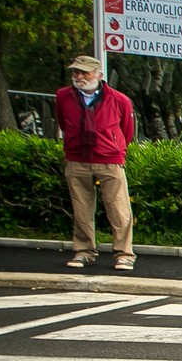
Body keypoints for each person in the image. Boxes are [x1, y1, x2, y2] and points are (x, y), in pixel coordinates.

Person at [52, 55, 137, 270]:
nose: (79, 76)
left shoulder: (119, 99)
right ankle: (84, 251)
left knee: (118, 208)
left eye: (85, 72)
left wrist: (115, 148)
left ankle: (124, 254)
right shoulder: (63, 96)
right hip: (76, 158)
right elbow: (64, 123)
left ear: (99, 75)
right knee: (81, 207)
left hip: (109, 158)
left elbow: (127, 130)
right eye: (76, 72)